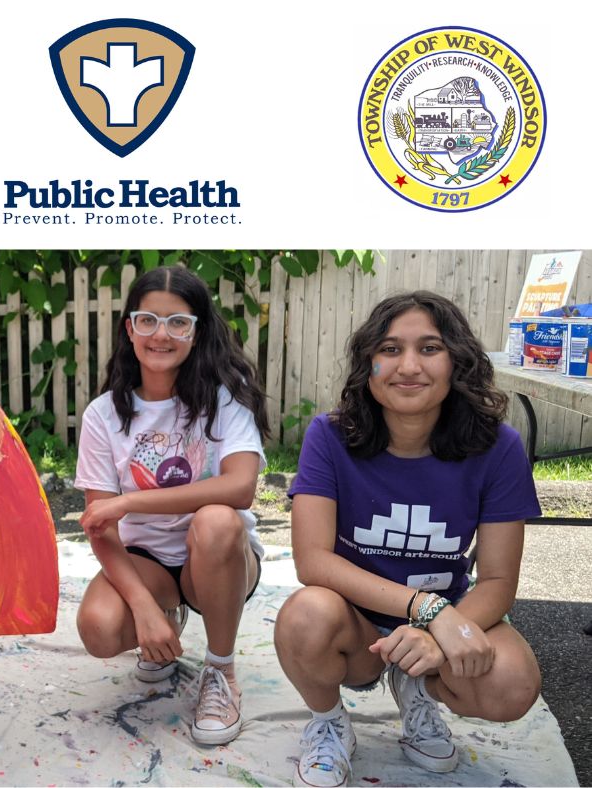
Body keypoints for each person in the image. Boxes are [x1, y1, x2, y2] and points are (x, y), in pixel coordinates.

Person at [275, 291, 542, 787]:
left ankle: (417, 683)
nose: (409, 366)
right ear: (368, 364)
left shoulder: (497, 446)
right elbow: (312, 561)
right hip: (357, 622)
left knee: (511, 683)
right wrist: (429, 610)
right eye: (391, 349)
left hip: (443, 612)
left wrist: (441, 630)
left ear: (457, 361)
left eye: (430, 348)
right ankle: (330, 722)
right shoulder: (329, 436)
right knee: (304, 615)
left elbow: (500, 579)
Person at [74, 265, 270, 746]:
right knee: (99, 629)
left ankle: (220, 671)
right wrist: (142, 607)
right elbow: (101, 526)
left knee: (219, 520)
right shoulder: (103, 414)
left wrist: (133, 500)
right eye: (148, 321)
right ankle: (165, 612)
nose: (161, 335)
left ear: (197, 331)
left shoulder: (225, 400)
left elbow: (241, 487)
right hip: (151, 564)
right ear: (130, 328)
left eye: (178, 323)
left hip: (220, 561)